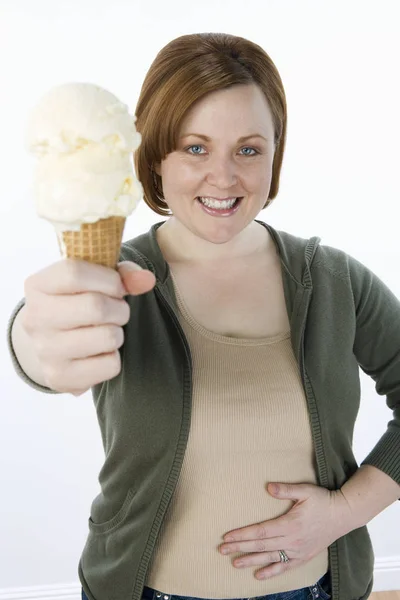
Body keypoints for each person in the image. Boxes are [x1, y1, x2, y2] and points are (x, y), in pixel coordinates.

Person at [7, 32, 400, 600]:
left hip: (313, 590)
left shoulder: (335, 280)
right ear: (155, 157)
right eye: (195, 148)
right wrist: (30, 341)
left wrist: (344, 511)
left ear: (275, 154)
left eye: (248, 149)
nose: (224, 176)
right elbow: (42, 335)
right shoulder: (113, 279)